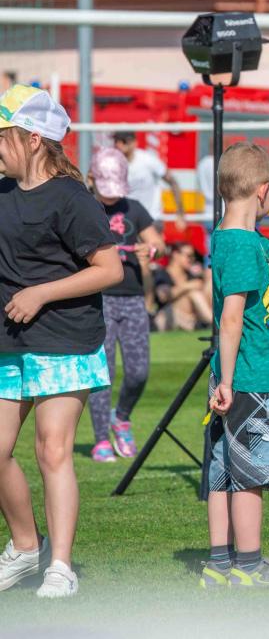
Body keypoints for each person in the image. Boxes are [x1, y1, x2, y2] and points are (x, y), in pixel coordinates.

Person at [0, 84, 123, 598]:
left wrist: (41, 293)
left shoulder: (73, 199)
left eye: (2, 137)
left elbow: (110, 269)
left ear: (32, 139)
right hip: (8, 343)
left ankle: (61, 567)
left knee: (52, 451)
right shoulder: (2, 194)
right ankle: (27, 547)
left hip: (65, 342)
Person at [200, 142, 269, 590]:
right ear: (263, 190)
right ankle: (250, 564)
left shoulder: (237, 239)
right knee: (250, 476)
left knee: (223, 471)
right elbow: (231, 319)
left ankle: (219, 564)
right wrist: (227, 380)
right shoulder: (242, 246)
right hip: (251, 379)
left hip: (236, 376)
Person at [86, 147, 166, 464]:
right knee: (102, 374)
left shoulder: (134, 207)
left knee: (138, 371)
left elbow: (158, 242)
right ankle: (100, 439)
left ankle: (121, 418)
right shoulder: (84, 207)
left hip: (132, 299)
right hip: (98, 300)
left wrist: (152, 250)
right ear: (91, 179)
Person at [112, 131, 187, 232]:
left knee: (154, 242)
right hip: (126, 219)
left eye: (123, 141)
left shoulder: (148, 160)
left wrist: (180, 212)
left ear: (134, 143)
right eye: (116, 141)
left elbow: (173, 182)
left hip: (151, 219)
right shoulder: (112, 163)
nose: (119, 144)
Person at [152, 242, 213, 332]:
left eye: (193, 256)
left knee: (210, 284)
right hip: (166, 316)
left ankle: (213, 320)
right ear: (175, 255)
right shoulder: (163, 273)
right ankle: (213, 322)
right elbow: (163, 296)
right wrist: (187, 286)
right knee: (193, 294)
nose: (192, 259)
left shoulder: (190, 274)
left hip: (190, 315)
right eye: (189, 256)